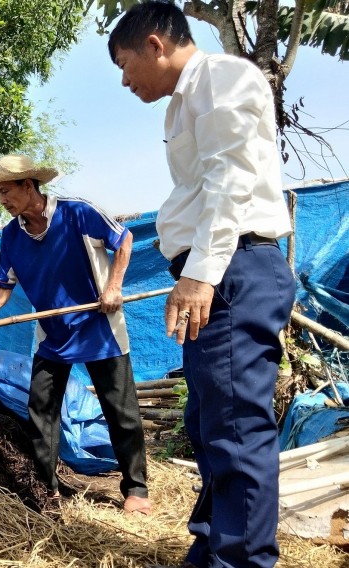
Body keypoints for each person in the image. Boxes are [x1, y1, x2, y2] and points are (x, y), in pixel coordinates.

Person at [108, 2, 297, 567]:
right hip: (219, 271)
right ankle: (214, 546)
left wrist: (198, 275)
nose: (124, 81)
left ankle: (240, 559)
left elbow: (229, 178)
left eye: (124, 65)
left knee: (236, 429)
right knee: (211, 422)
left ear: (155, 46)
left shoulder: (220, 77)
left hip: (231, 270)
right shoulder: (186, 103)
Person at [0, 154, 151, 514]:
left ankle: (136, 489)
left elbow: (123, 240)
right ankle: (46, 490)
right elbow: (3, 286)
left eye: (6, 191)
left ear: (28, 185)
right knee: (42, 412)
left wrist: (113, 287)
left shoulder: (78, 212)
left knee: (121, 412)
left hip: (101, 327)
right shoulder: (11, 236)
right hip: (52, 335)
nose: (2, 200)